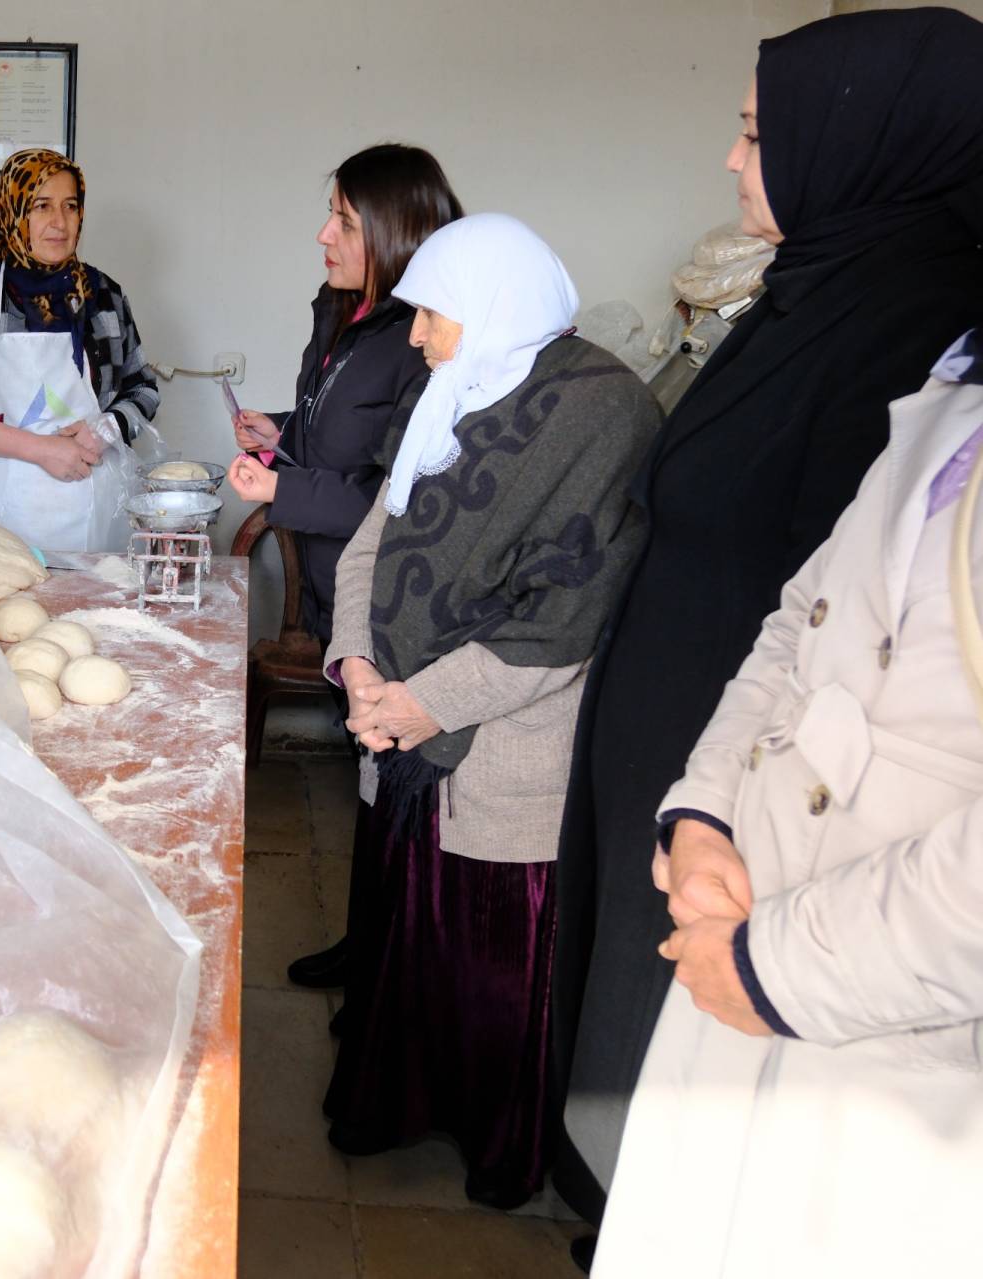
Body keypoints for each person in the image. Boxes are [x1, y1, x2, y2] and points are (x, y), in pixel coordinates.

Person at [551, 6, 983, 1238]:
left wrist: (725, 818)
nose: (733, 158)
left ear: (862, 144)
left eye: (756, 131)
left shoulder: (904, 322)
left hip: (815, 877)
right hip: (710, 774)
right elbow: (809, 602)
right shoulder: (826, 302)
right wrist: (697, 802)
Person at [593, 326, 983, 1278]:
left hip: (888, 1017)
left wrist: (778, 968)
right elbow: (795, 626)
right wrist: (704, 812)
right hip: (742, 923)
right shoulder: (957, 385)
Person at [323, 214, 663, 1209]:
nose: (417, 335)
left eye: (434, 314)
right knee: (408, 954)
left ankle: (492, 1143)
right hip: (399, 730)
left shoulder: (602, 412)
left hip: (501, 748)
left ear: (495, 306)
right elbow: (373, 541)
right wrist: (357, 666)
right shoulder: (451, 388)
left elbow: (568, 615)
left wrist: (422, 703)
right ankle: (394, 1104)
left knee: (489, 975)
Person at [223, 143, 462, 991]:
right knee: (370, 785)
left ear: (396, 232)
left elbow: (397, 497)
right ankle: (369, 944)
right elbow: (336, 433)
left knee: (401, 791)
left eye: (345, 221)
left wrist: (280, 491)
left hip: (394, 606)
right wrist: (281, 432)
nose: (324, 235)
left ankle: (396, 966)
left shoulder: (423, 340)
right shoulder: (341, 311)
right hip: (337, 594)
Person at [0, 148, 160, 552]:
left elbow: (143, 389)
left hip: (95, 508)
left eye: (70, 206)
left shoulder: (104, 296)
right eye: (41, 206)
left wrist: (106, 430)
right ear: (14, 212)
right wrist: (41, 449)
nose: (59, 222)